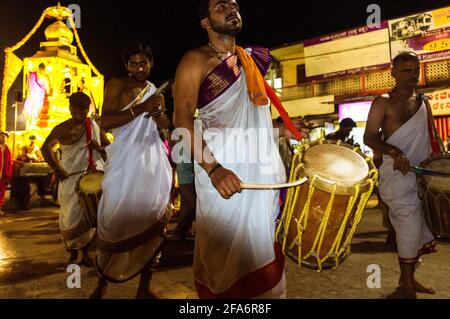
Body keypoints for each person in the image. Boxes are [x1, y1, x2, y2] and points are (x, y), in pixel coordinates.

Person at [174, 0, 308, 299]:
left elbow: (250, 119)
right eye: (221, 6)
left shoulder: (250, 59)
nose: (232, 9)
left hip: (261, 173)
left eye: (234, 4)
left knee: (262, 249)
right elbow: (181, 120)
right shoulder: (195, 60)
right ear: (205, 22)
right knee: (223, 261)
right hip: (222, 174)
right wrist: (214, 168)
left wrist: (282, 129)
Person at [90, 41, 172, 299]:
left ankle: (144, 288)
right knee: (113, 221)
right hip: (124, 162)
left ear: (151, 64)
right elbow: (105, 121)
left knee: (154, 221)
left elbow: (165, 126)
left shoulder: (154, 91)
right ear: (126, 66)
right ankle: (101, 285)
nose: (139, 67)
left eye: (143, 62)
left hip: (152, 162)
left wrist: (161, 119)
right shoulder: (117, 85)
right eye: (134, 63)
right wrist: (142, 109)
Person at [364, 52, 441, 299]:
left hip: (423, 176)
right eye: (406, 71)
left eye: (415, 70)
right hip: (397, 176)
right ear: (394, 73)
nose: (412, 76)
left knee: (422, 228)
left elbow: (433, 136)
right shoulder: (382, 102)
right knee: (408, 227)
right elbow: (369, 137)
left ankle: (407, 278)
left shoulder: (423, 102)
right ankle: (407, 287)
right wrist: (394, 151)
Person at [41, 92, 108, 266]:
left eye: (84, 109)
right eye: (77, 109)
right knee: (69, 216)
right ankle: (71, 253)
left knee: (89, 216)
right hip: (69, 177)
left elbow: (108, 147)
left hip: (90, 177)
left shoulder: (93, 125)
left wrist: (98, 147)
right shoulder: (62, 128)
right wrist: (58, 169)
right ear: (70, 108)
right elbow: (45, 148)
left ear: (88, 109)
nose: (80, 113)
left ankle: (85, 253)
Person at [0, 132, 12, 209]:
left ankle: (0, 207)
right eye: (1, 136)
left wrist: (8, 173)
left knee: (2, 190)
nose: (3, 138)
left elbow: (9, 161)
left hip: (3, 172)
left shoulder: (7, 148)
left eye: (4, 137)